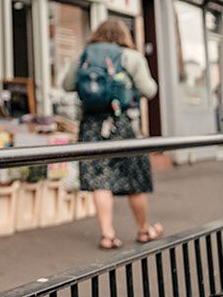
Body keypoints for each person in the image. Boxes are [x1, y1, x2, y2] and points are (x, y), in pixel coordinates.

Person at [60, 18, 160, 250]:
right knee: (135, 179)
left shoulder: (85, 54)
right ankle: (143, 229)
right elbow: (149, 90)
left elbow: (66, 84)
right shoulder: (131, 56)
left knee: (99, 179)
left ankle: (107, 234)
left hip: (92, 125)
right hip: (123, 124)